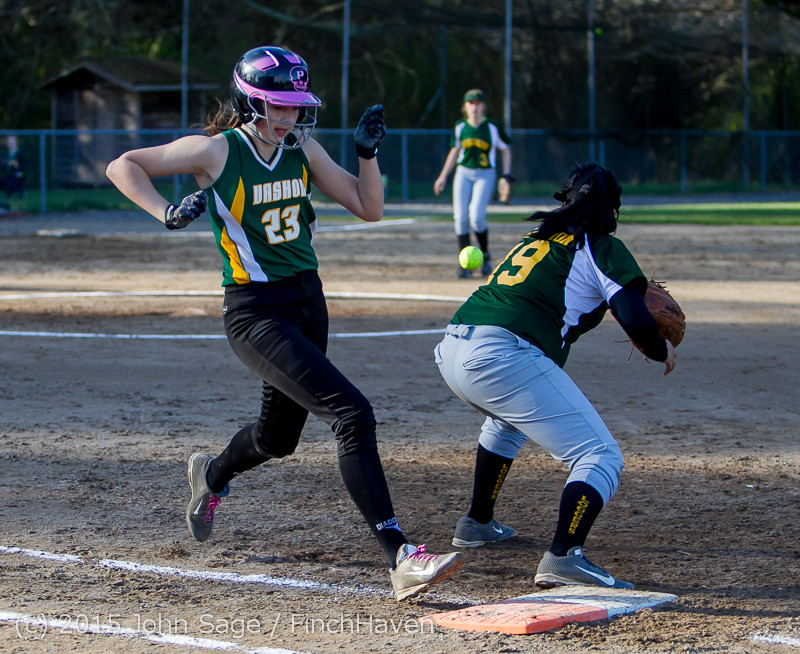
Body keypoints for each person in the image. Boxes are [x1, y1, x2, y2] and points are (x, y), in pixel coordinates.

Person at [106, 45, 464, 601]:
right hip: (255, 312)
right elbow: (122, 166)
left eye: (296, 105)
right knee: (352, 413)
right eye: (277, 105)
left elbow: (369, 208)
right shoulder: (217, 150)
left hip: (308, 303)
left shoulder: (301, 146)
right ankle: (400, 556)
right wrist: (167, 213)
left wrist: (367, 155)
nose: (289, 115)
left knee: (277, 439)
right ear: (249, 102)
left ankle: (212, 474)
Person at [434, 163, 676, 589]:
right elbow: (635, 318)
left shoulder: (537, 238)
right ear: (612, 210)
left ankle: (477, 522)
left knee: (506, 423)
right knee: (600, 455)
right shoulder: (601, 246)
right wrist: (661, 350)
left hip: (454, 346)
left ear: (565, 201)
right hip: (500, 355)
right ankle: (565, 557)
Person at [433, 89, 513, 279]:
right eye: (471, 103)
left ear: (483, 106)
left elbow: (505, 149)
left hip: (485, 174)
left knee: (476, 217)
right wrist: (443, 176)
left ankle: (485, 257)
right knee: (460, 217)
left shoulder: (492, 126)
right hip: (464, 173)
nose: (474, 106)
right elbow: (455, 151)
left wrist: (507, 175)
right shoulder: (460, 126)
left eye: (478, 103)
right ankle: (465, 265)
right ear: (465, 106)